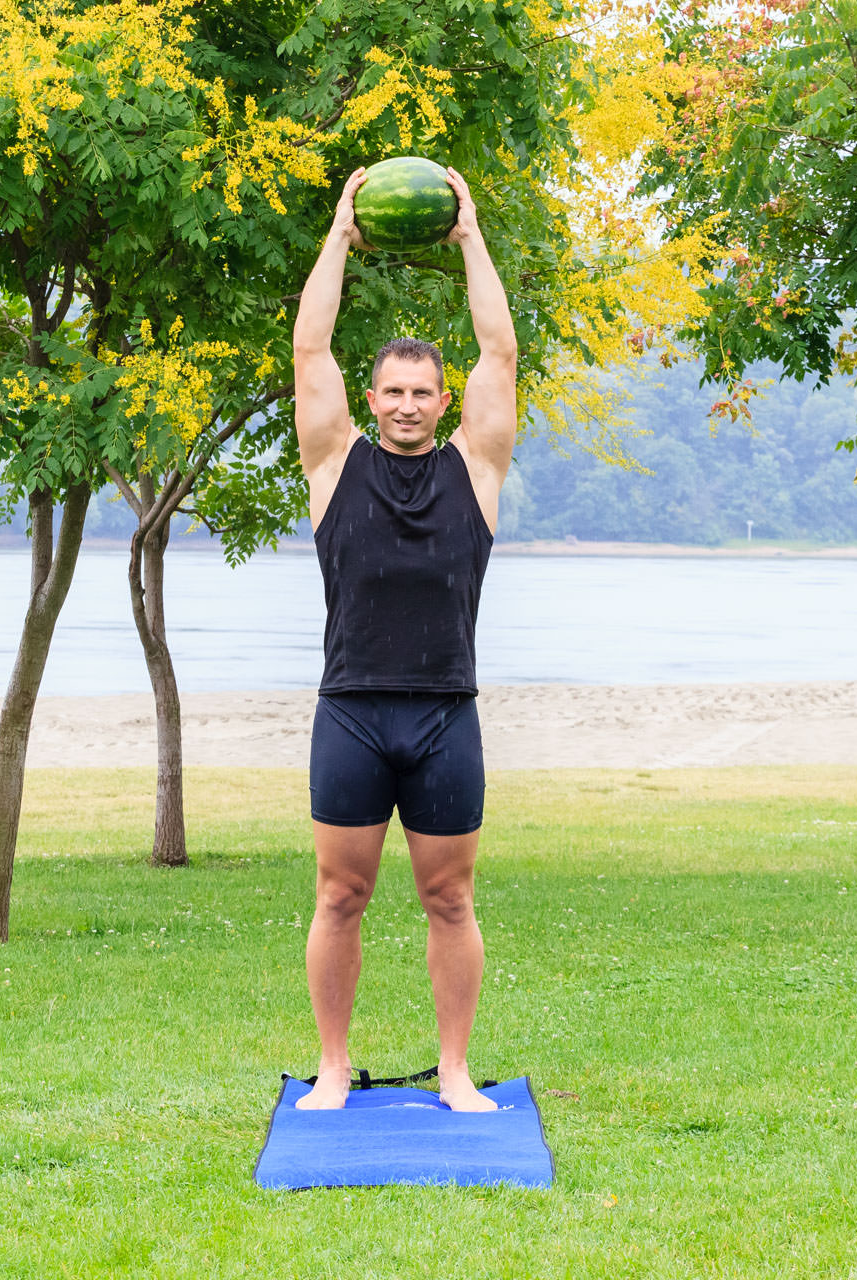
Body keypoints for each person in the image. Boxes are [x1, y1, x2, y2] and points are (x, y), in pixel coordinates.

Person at [292, 165, 516, 1112]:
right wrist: (340, 235)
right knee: (339, 898)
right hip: (351, 713)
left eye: (423, 391)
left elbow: (500, 354)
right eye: (393, 390)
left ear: (441, 400)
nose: (408, 404)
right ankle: (334, 1068)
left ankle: (454, 1071)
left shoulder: (477, 468)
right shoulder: (334, 464)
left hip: (442, 720)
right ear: (372, 399)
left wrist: (469, 238)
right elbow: (309, 350)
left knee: (449, 901)